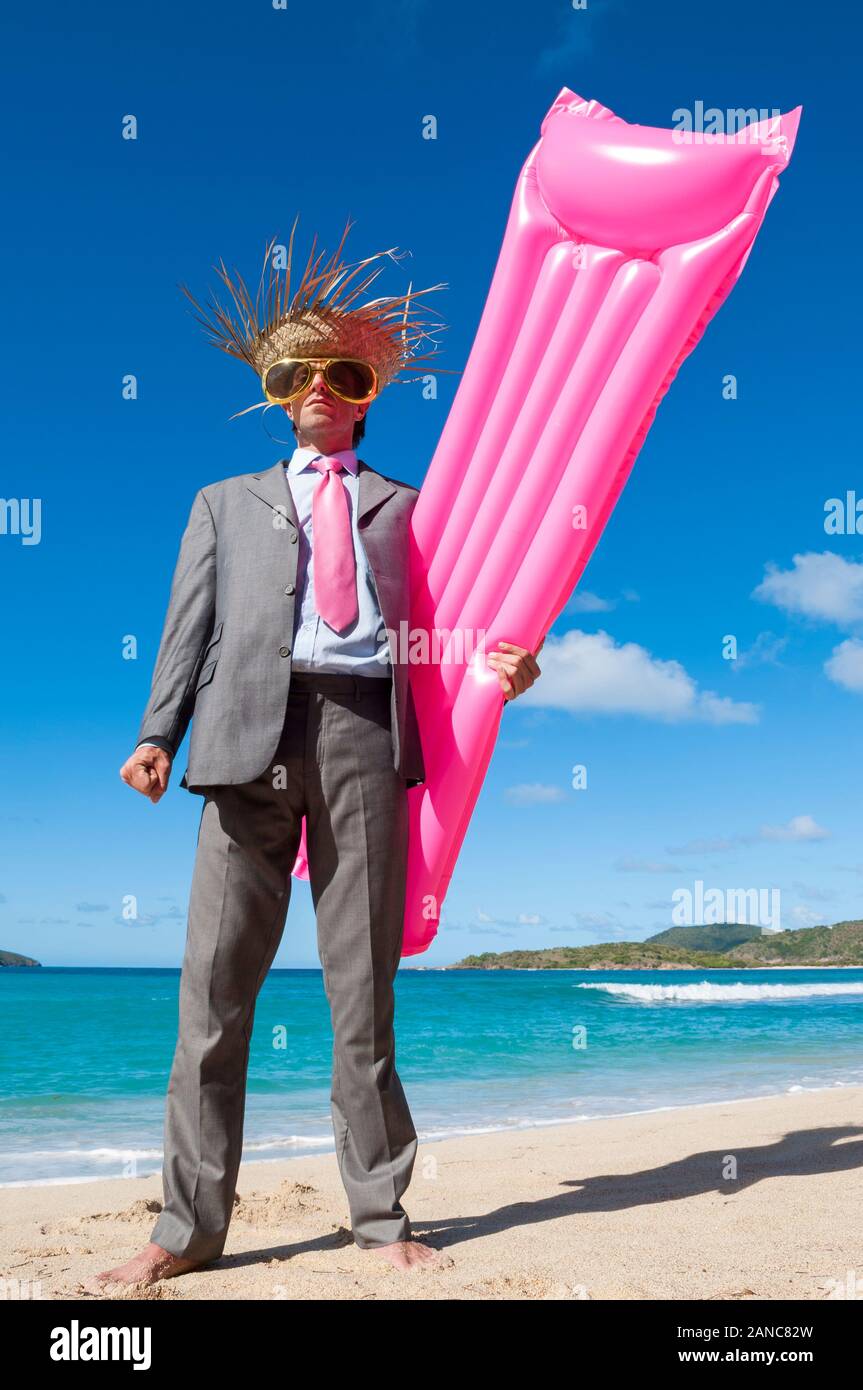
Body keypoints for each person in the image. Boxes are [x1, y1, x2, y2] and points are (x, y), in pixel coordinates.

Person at [95, 220, 542, 1291]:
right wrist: (157, 734)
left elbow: (460, 614)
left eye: (342, 375)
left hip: (361, 734)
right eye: (300, 372)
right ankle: (187, 1226)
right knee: (210, 996)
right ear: (277, 387)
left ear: (364, 395)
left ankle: (379, 1214)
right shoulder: (221, 503)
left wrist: (508, 666)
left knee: (361, 996)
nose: (321, 388)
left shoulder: (409, 507)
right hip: (237, 744)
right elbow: (186, 629)